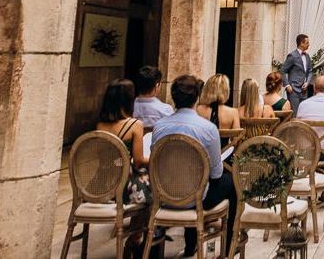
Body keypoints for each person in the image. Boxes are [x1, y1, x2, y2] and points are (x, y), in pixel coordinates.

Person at [152, 75, 237, 258]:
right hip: (197, 198)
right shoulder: (207, 129)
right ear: (197, 96)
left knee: (191, 180)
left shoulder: (159, 127)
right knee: (230, 184)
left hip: (164, 195)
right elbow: (216, 174)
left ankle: (190, 244)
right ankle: (230, 245)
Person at [96, 78, 150, 210]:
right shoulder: (135, 125)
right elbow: (138, 161)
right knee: (152, 181)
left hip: (102, 182)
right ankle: (137, 227)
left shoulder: (100, 125)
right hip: (125, 183)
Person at [197, 73, 240, 143]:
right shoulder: (233, 112)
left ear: (207, 89)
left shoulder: (198, 110)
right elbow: (236, 141)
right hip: (224, 152)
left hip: (202, 152)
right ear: (226, 91)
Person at [281, 34, 313, 112]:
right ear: (301, 43)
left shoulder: (307, 56)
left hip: (304, 91)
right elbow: (282, 71)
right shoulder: (292, 56)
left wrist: (307, 82)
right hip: (293, 91)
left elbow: (310, 71)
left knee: (303, 113)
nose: (309, 44)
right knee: (294, 114)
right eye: (307, 42)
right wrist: (287, 85)